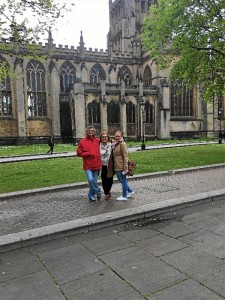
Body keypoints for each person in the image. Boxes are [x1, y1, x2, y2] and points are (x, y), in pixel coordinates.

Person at [77, 125, 102, 202]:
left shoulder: (98, 141)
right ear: (86, 132)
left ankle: (91, 195)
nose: (90, 132)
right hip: (88, 165)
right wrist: (88, 154)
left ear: (94, 132)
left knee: (93, 181)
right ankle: (97, 191)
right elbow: (78, 153)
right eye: (89, 130)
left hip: (97, 165)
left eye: (92, 131)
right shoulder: (82, 141)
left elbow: (106, 144)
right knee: (91, 180)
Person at [110, 131, 135, 201]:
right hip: (117, 165)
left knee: (123, 181)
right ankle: (130, 191)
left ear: (121, 136)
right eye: (116, 136)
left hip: (121, 165)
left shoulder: (122, 144)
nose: (117, 137)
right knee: (120, 180)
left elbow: (126, 156)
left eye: (118, 136)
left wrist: (126, 167)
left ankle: (124, 196)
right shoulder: (115, 144)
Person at [100, 132, 113, 200]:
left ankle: (108, 190)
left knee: (110, 179)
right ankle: (106, 193)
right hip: (102, 165)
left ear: (108, 138)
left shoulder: (111, 145)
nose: (104, 138)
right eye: (103, 137)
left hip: (110, 165)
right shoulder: (98, 145)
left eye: (105, 137)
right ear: (101, 138)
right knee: (104, 179)